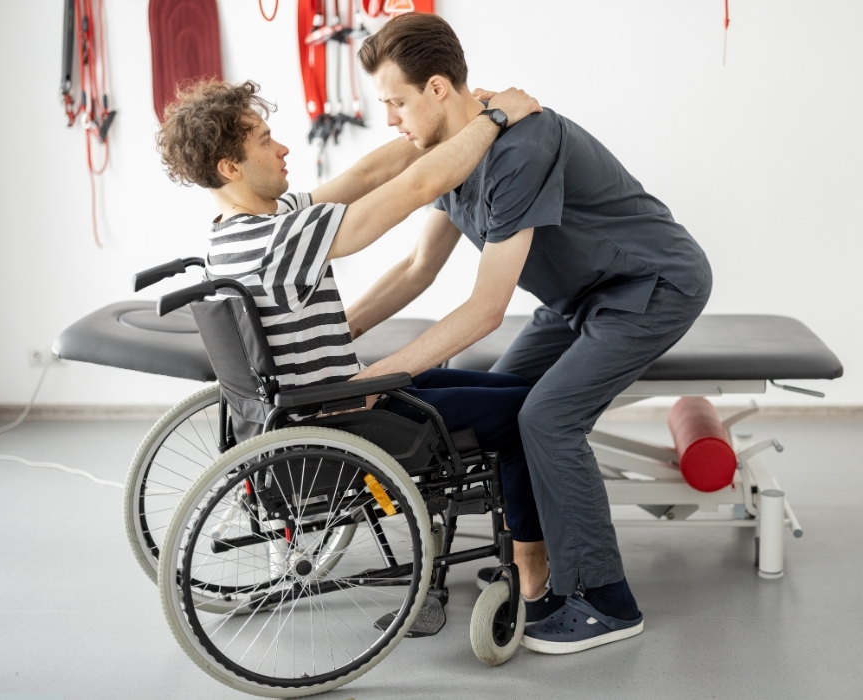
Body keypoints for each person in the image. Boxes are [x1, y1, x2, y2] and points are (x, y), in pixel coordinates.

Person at [345, 13, 713, 654]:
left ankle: (605, 599)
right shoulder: (452, 154)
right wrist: (337, 333)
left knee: (546, 418)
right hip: (575, 298)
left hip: (648, 287)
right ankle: (530, 564)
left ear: (437, 89)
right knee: (501, 406)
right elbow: (416, 270)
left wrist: (379, 378)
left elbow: (486, 309)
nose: (390, 120)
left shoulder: (520, 147)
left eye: (396, 102)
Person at [154, 79, 556, 615]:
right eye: (266, 140)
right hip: (351, 419)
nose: (284, 148)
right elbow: (415, 188)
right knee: (533, 412)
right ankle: (534, 576)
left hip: (317, 409)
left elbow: (368, 174)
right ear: (231, 167)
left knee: (518, 391)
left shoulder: (238, 233)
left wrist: (447, 121)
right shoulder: (282, 239)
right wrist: (495, 119)